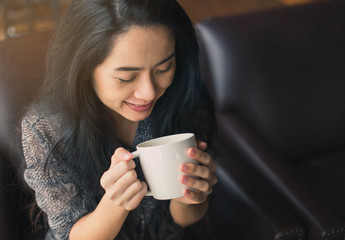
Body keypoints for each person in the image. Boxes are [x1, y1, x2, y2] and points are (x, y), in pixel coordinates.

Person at [21, 0, 217, 239]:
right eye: (126, 78)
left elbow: (186, 218)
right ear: (84, 69)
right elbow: (69, 234)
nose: (149, 93)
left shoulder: (185, 99)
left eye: (164, 68)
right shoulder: (45, 129)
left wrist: (192, 196)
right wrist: (115, 204)